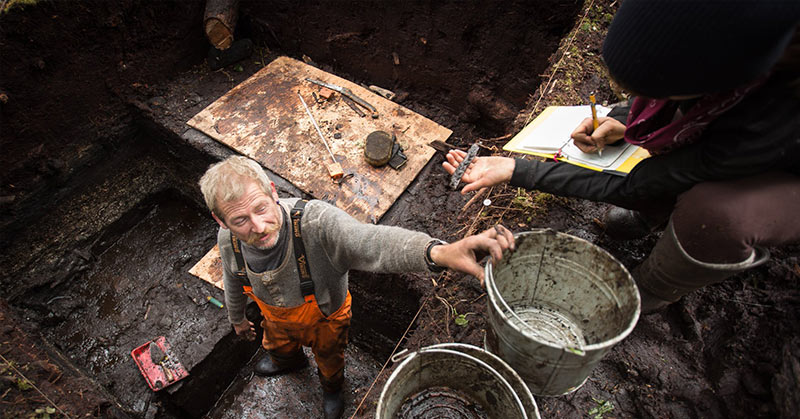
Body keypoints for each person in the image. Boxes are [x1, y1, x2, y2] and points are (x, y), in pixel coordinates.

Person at [444, 1, 800, 314]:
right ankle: (657, 213)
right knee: (668, 139)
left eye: (659, 93)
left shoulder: (768, 120)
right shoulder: (732, 40)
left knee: (715, 213)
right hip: (736, 122)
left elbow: (638, 182)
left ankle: (652, 290)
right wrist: (624, 119)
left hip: (786, 167)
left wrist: (516, 169)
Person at [198, 155, 515, 419]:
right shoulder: (228, 241)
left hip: (325, 319)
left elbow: (372, 243)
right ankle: (286, 360)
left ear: (272, 191)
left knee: (330, 357)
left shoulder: (318, 226)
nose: (258, 227)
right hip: (276, 321)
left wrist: (438, 252)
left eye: (261, 209)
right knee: (277, 343)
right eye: (240, 220)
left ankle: (332, 388)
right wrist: (237, 318)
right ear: (221, 220)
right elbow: (234, 279)